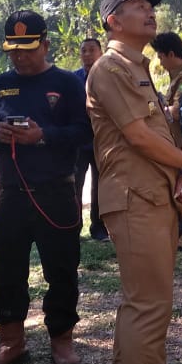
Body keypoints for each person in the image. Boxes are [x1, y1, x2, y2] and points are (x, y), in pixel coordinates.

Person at [86, 0, 182, 364]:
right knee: (150, 305)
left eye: (150, 5)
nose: (149, 11)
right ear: (113, 20)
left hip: (148, 196)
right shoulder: (111, 67)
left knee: (141, 301)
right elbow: (137, 136)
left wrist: (176, 175)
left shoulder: (136, 69)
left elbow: (149, 137)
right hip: (135, 200)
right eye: (138, 6)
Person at [0, 10, 90, 364]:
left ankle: (62, 340)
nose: (20, 56)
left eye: (28, 48)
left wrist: (44, 136)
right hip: (11, 193)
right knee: (6, 269)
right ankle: (11, 341)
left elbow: (85, 133)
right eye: (14, 50)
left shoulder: (68, 83)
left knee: (62, 269)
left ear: (45, 44)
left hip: (56, 191)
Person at [150, 31, 182, 253]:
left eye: (160, 56)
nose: (159, 61)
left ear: (170, 54)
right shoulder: (177, 78)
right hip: (174, 140)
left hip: (181, 141)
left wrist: (157, 110)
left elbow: (177, 112)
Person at [74, 37, 108, 241]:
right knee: (75, 184)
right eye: (83, 50)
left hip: (101, 139)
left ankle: (99, 227)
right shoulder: (73, 79)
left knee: (100, 185)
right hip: (79, 140)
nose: (87, 54)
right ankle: (73, 226)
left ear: (100, 52)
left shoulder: (108, 76)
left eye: (91, 50)